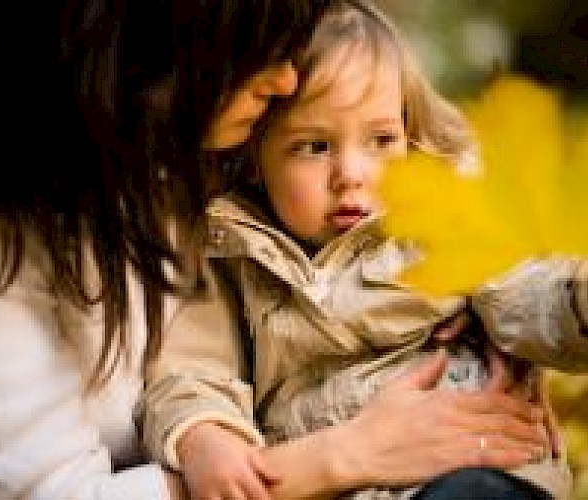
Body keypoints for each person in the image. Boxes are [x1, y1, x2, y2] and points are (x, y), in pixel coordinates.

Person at [142, 1, 587, 499]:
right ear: (253, 161)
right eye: (314, 146)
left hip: (475, 470)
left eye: (380, 140)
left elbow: (523, 291)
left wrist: (575, 301)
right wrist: (202, 433)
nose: (351, 174)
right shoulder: (229, 257)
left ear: (409, 136)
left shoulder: (436, 221)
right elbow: (193, 368)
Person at [0, 1, 335, 498]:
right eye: (254, 48)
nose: (285, 81)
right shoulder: (7, 240)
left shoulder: (182, 162)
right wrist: (336, 459)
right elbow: (53, 492)